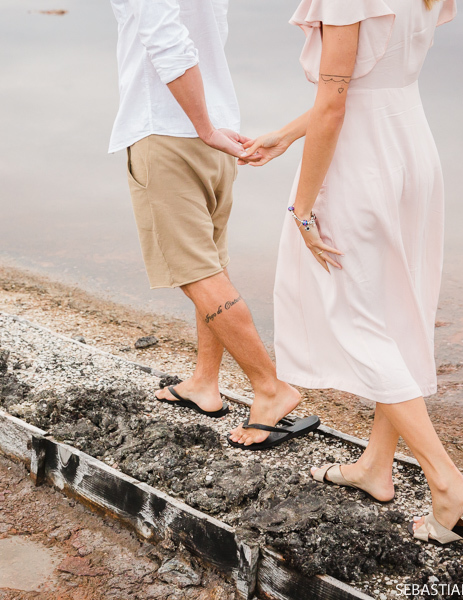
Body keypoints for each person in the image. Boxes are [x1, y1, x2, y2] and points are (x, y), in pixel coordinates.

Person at [237, 0, 463, 543]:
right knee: (395, 311)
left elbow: (338, 103)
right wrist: (287, 135)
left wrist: (304, 207)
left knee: (355, 316)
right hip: (410, 148)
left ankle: (446, 480)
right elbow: (372, 83)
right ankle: (375, 466)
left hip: (360, 163)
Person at [109, 0, 320, 450]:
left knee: (196, 274)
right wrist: (212, 127)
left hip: (171, 131)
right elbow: (207, 34)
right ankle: (205, 383)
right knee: (213, 268)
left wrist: (202, 126)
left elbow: (168, 41)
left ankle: (270, 388)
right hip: (216, 135)